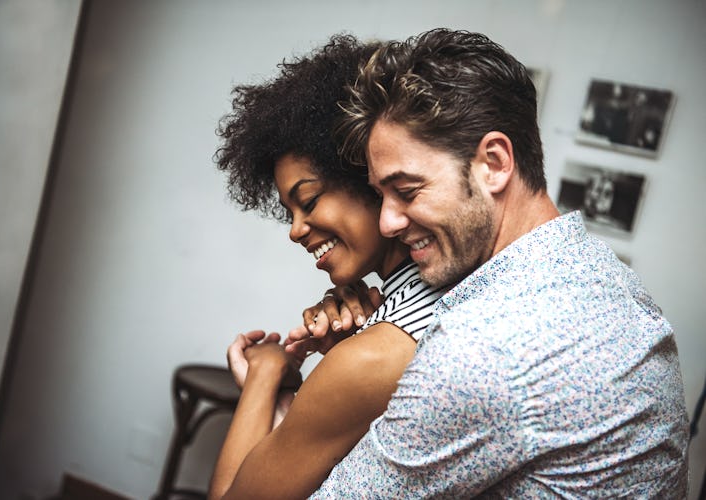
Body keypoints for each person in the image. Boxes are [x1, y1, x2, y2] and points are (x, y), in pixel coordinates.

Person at [308, 28, 689, 498]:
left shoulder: (483, 349)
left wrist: (277, 386)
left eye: (406, 191)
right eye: (380, 195)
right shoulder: (600, 273)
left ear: (493, 162)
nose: (387, 222)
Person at [206, 35, 449, 499]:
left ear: (370, 178)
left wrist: (265, 372)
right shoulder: (417, 294)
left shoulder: (384, 346)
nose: (296, 231)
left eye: (309, 200)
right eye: (288, 214)